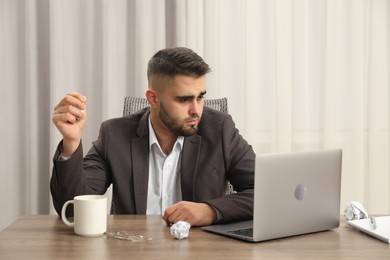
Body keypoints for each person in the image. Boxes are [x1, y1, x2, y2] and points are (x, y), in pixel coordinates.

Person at [51, 47, 255, 227]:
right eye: (184, 99)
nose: (196, 110)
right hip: (134, 249)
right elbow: (72, 211)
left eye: (200, 97)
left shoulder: (220, 129)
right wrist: (71, 142)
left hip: (200, 251)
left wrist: (209, 210)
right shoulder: (114, 134)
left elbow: (264, 193)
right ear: (153, 98)